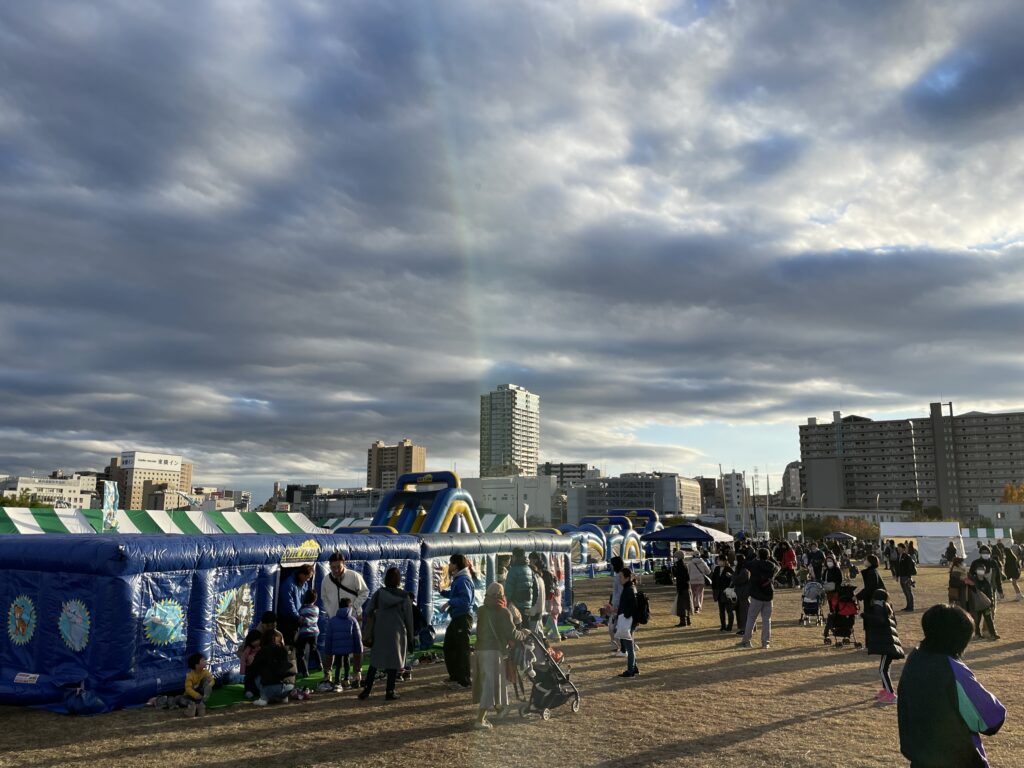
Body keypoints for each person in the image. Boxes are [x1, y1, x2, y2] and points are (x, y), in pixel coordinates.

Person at [898, 605, 1005, 768]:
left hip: (921, 758)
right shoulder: (952, 668)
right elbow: (990, 720)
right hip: (957, 759)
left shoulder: (915, 659)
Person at [472, 581, 527, 729]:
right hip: (493, 651)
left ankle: (500, 708)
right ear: (501, 595)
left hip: (479, 650)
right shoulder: (503, 612)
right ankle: (480, 720)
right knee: (490, 685)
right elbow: (512, 633)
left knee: (490, 682)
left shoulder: (481, 610)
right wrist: (524, 634)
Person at [359, 567, 414, 701]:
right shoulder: (404, 597)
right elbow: (409, 619)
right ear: (398, 580)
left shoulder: (379, 593)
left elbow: (368, 610)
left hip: (380, 631)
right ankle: (390, 691)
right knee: (393, 663)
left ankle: (366, 691)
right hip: (397, 633)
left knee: (375, 662)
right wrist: (411, 638)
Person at [439, 553, 476, 690]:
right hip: (457, 617)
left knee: (462, 649)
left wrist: (449, 602)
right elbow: (457, 594)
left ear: (456, 565)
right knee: (449, 646)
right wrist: (444, 593)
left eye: (451, 563)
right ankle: (455, 676)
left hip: (463, 617)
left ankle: (464, 680)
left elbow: (465, 601)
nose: (449, 566)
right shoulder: (459, 579)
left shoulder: (463, 579)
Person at [862, 589, 904, 705]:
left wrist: (866, 616)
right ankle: (886, 691)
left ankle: (891, 694)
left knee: (882, 670)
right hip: (888, 643)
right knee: (884, 669)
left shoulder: (878, 608)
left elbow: (879, 621)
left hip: (888, 645)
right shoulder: (886, 607)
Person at [739, 548, 779, 649]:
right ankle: (765, 642)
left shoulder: (754, 564)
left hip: (756, 595)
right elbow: (779, 567)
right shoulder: (771, 565)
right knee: (767, 620)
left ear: (758, 555)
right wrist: (771, 558)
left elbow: (745, 563)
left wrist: (754, 557)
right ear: (768, 556)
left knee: (751, 619)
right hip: (768, 596)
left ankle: (746, 641)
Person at [321, 597, 362, 691]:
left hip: (336, 648)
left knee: (338, 664)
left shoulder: (332, 621)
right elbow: (357, 637)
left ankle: (337, 681)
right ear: (349, 607)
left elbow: (328, 637)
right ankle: (346, 680)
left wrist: (328, 650)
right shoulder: (353, 620)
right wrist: (358, 650)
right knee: (347, 662)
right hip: (348, 647)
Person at [250, 630, 297, 706]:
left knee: (257, 676)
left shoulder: (262, 651)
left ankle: (264, 698)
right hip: (289, 687)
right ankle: (283, 697)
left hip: (270, 688)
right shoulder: (287, 649)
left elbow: (253, 670)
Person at [321, 552, 370, 621]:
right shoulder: (326, 580)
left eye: (339, 567)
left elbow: (364, 592)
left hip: (353, 617)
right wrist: (330, 611)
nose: (336, 570)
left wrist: (354, 607)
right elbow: (324, 597)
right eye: (333, 567)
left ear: (344, 564)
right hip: (335, 618)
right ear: (330, 566)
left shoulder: (354, 576)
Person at [966, 549, 1001, 641]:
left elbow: (990, 591)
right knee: (977, 619)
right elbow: (970, 590)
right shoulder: (973, 580)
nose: (980, 571)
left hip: (985, 604)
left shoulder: (986, 583)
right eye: (979, 570)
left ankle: (992, 633)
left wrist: (991, 602)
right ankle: (977, 634)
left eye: (982, 570)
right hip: (976, 603)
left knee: (989, 618)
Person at [278, 564, 314, 646]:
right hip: (287, 618)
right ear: (301, 574)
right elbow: (288, 604)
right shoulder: (288, 584)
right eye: (308, 577)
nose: (308, 580)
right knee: (288, 642)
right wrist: (297, 616)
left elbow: (304, 599)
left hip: (297, 617)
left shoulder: (304, 584)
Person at [615, 567, 641, 677]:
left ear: (626, 578)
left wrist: (625, 615)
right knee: (630, 646)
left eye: (621, 577)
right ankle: (634, 668)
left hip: (628, 621)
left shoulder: (629, 589)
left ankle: (630, 670)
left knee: (629, 647)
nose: (619, 579)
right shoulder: (630, 587)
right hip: (630, 621)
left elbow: (632, 606)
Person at [505, 547, 538, 631]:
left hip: (516, 605)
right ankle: (528, 643)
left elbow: (508, 590)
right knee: (526, 629)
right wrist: (532, 602)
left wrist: (506, 602)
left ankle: (519, 644)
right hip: (527, 604)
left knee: (517, 630)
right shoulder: (529, 569)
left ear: (515, 556)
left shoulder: (513, 571)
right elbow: (535, 587)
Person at [294, 589, 322, 678]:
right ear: (315, 599)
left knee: (300, 653)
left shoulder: (302, 610)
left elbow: (300, 620)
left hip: (304, 632)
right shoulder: (316, 609)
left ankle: (304, 671)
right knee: (314, 648)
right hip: (314, 632)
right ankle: (319, 663)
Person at [183, 652, 213, 717]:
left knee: (206, 680)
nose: (205, 661)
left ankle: (197, 707)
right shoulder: (190, 675)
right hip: (190, 696)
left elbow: (212, 680)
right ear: (196, 665)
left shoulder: (205, 672)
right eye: (203, 660)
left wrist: (209, 686)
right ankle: (194, 708)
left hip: (201, 695)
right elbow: (188, 689)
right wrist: (196, 695)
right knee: (184, 700)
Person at [711, 554, 735, 632]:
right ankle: (723, 626)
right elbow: (714, 580)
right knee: (721, 611)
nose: (718, 562)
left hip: (726, 592)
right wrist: (714, 589)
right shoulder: (717, 568)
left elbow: (733, 580)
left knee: (729, 610)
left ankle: (730, 626)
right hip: (718, 592)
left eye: (719, 560)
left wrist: (730, 576)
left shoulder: (729, 569)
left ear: (724, 561)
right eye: (718, 560)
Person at [671, 550, 694, 627]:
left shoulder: (680, 566)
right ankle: (688, 621)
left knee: (681, 605)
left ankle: (683, 622)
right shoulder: (683, 565)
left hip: (682, 588)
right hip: (686, 587)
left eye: (675, 557)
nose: (674, 558)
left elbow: (680, 577)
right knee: (687, 604)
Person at [606, 556, 625, 652]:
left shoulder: (619, 577)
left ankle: (622, 646)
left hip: (618, 606)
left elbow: (620, 593)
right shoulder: (620, 575)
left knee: (613, 626)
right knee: (614, 626)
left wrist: (614, 606)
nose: (611, 566)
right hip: (616, 604)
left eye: (611, 564)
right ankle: (618, 645)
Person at [237, 629, 262, 700]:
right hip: (250, 668)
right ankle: (248, 691)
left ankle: (257, 691)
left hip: (259, 668)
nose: (256, 642)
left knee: (259, 679)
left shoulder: (262, 648)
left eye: (257, 640)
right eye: (253, 641)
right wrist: (243, 670)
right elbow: (243, 658)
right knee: (249, 680)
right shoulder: (248, 649)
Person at [732, 556, 752, 637]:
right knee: (741, 612)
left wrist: (732, 577)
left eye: (736, 560)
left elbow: (737, 580)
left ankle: (745, 629)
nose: (735, 561)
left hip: (743, 593)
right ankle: (743, 628)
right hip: (739, 593)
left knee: (745, 612)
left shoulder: (745, 571)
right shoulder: (739, 569)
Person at [896, 543, 917, 612]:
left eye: (899, 548)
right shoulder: (900, 556)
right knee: (905, 592)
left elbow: (909, 568)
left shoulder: (907, 557)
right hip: (902, 576)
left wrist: (909, 577)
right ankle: (908, 606)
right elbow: (899, 567)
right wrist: (897, 576)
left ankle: (911, 607)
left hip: (906, 577)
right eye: (898, 548)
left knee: (908, 592)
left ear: (903, 549)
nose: (898, 549)